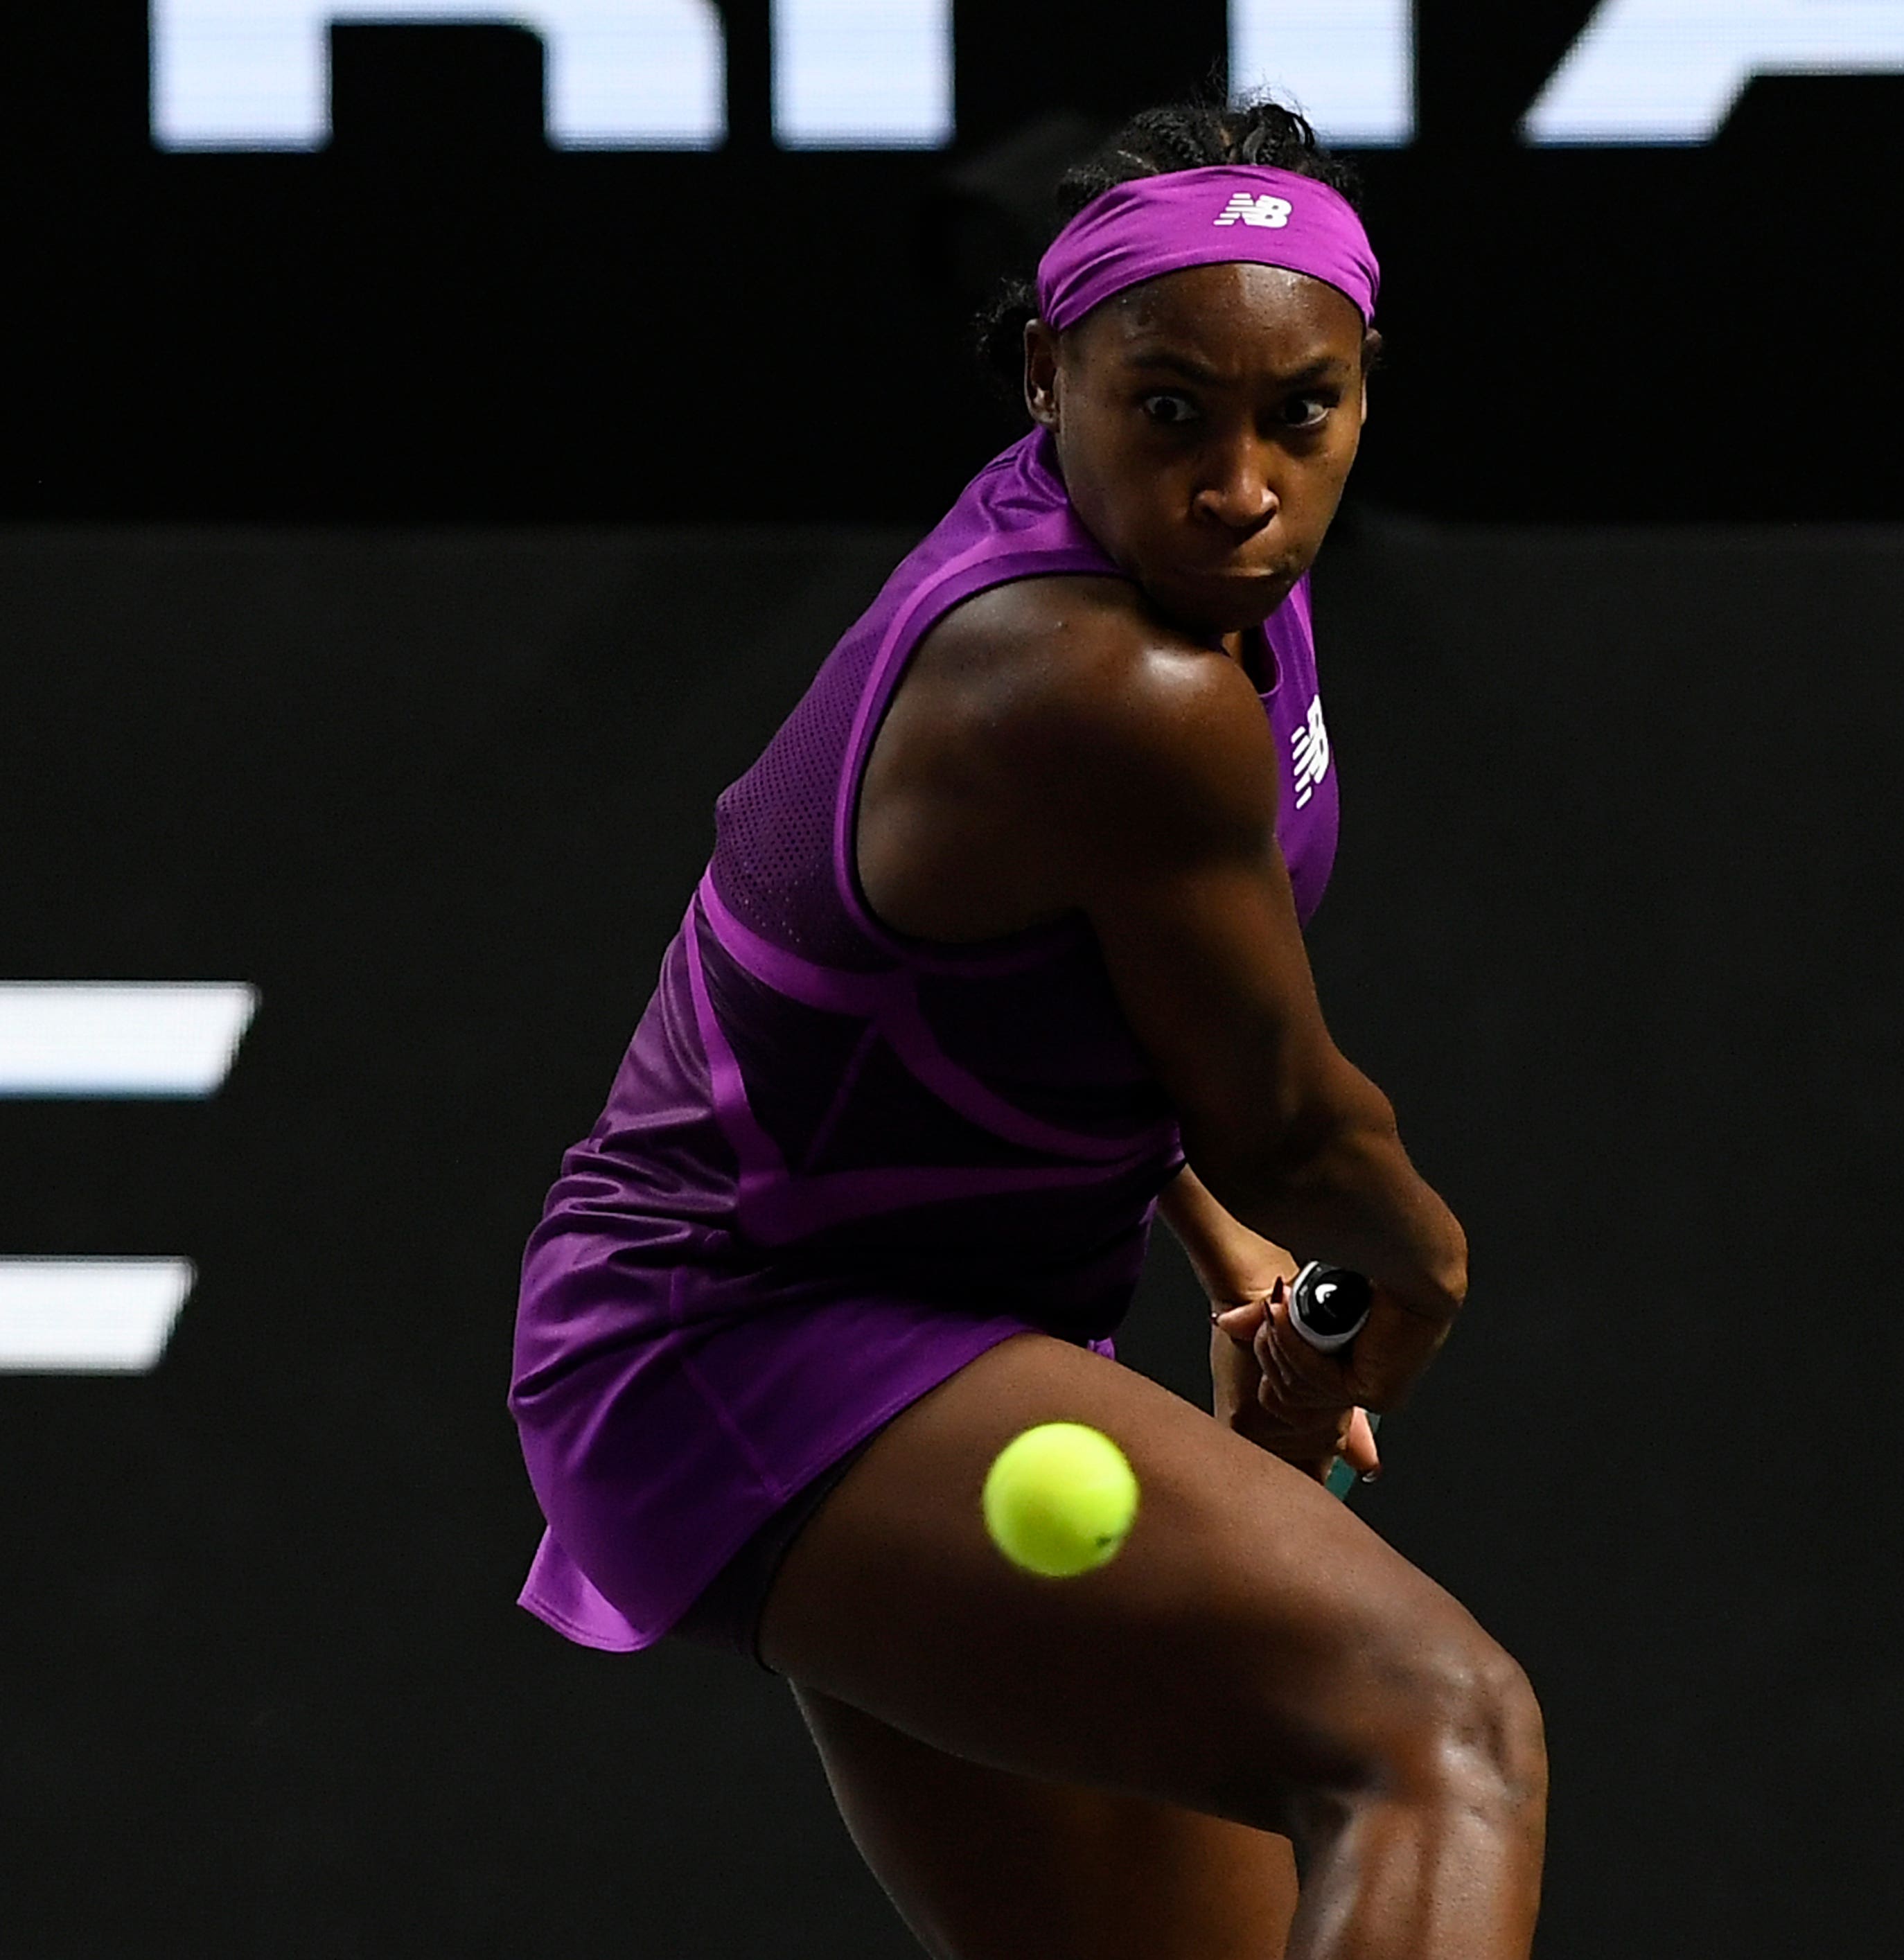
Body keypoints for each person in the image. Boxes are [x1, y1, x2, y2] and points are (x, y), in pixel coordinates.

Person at [507, 100, 1545, 1959]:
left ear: (1361, 389)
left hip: (918, 1331)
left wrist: (1241, 1268)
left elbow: (1082, 1010)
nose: (1239, 479)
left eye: (1297, 412)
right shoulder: (1091, 680)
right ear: (1048, 380)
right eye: (1168, 410)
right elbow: (1291, 1122)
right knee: (1436, 1734)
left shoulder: (1210, 600)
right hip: (745, 1344)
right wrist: (1422, 1280)